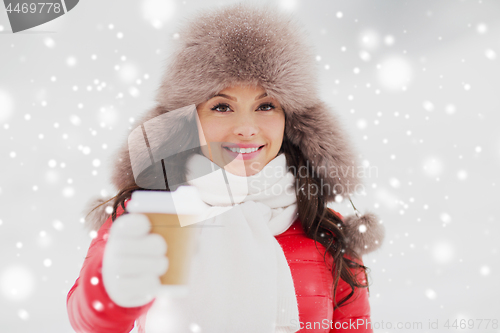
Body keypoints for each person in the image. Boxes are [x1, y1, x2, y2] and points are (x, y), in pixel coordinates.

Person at [67, 3, 385, 333]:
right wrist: (112, 290)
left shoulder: (327, 232)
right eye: (222, 106)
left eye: (265, 105)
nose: (246, 128)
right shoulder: (148, 214)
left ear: (291, 121)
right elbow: (89, 321)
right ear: (188, 119)